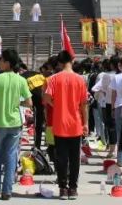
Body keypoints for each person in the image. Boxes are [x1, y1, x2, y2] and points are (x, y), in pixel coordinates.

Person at [0, 48, 30, 200]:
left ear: (7, 63)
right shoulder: (21, 80)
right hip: (15, 123)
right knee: (11, 156)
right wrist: (18, 102)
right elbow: (29, 103)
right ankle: (7, 191)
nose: (0, 63)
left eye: (2, 60)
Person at [43, 49, 86, 199]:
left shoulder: (53, 79)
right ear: (72, 61)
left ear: (60, 63)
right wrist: (85, 124)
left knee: (61, 158)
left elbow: (46, 98)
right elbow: (83, 105)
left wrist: (57, 105)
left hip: (59, 123)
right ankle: (73, 188)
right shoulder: (80, 79)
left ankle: (63, 188)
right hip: (76, 124)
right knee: (75, 159)